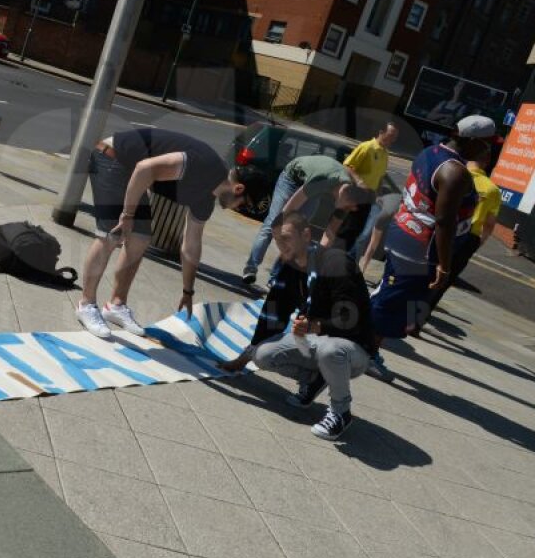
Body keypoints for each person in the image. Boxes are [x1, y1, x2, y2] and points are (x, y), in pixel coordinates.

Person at [76, 127, 271, 338]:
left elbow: (191, 245)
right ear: (239, 189)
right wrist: (127, 214)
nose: (239, 209)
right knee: (111, 235)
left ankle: (115, 306)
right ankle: (85, 305)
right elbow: (143, 168)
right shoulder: (205, 166)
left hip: (134, 174)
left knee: (140, 238)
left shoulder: (205, 200)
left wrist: (188, 291)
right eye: (243, 205)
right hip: (113, 157)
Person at [220, 211, 376, 441]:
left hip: (353, 348)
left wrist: (316, 326)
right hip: (316, 339)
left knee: (330, 351)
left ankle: (341, 411)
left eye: (286, 238)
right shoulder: (290, 268)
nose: (282, 246)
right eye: (277, 241)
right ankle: (313, 380)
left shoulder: (335, 262)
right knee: (263, 355)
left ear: (306, 234)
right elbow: (272, 314)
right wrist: (247, 355)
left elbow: (352, 319)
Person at [368, 115, 495, 373]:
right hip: (420, 249)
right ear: (470, 141)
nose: (488, 149)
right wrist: (444, 266)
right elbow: (444, 221)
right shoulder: (455, 172)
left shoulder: (431, 151)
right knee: (390, 301)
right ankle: (359, 350)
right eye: (486, 143)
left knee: (392, 297)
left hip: (405, 235)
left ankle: (368, 349)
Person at [241, 154, 370, 287]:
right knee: (272, 224)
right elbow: (290, 207)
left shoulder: (345, 204)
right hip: (292, 179)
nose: (346, 211)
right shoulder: (324, 180)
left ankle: (276, 277)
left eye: (350, 209)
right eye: (347, 207)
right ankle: (250, 268)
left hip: (315, 191)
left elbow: (329, 235)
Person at [425, 144, 502, 317]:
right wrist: (478, 241)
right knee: (446, 278)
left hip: (441, 228)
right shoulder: (493, 190)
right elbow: (489, 224)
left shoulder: (453, 173)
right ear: (488, 161)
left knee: (426, 269)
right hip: (469, 237)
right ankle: (416, 322)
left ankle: (406, 309)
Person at [345, 122, 399, 259]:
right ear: (381, 132)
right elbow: (347, 166)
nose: (392, 140)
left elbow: (380, 177)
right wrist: (359, 181)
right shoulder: (367, 147)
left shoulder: (385, 154)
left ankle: (350, 262)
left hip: (370, 198)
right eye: (390, 135)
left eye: (394, 137)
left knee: (364, 234)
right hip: (356, 195)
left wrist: (379, 195)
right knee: (351, 231)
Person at [357, 192, 402, 274]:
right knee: (366, 235)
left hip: (396, 202)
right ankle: (358, 264)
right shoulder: (384, 215)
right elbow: (373, 243)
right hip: (378, 204)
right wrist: (363, 267)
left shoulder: (409, 214)